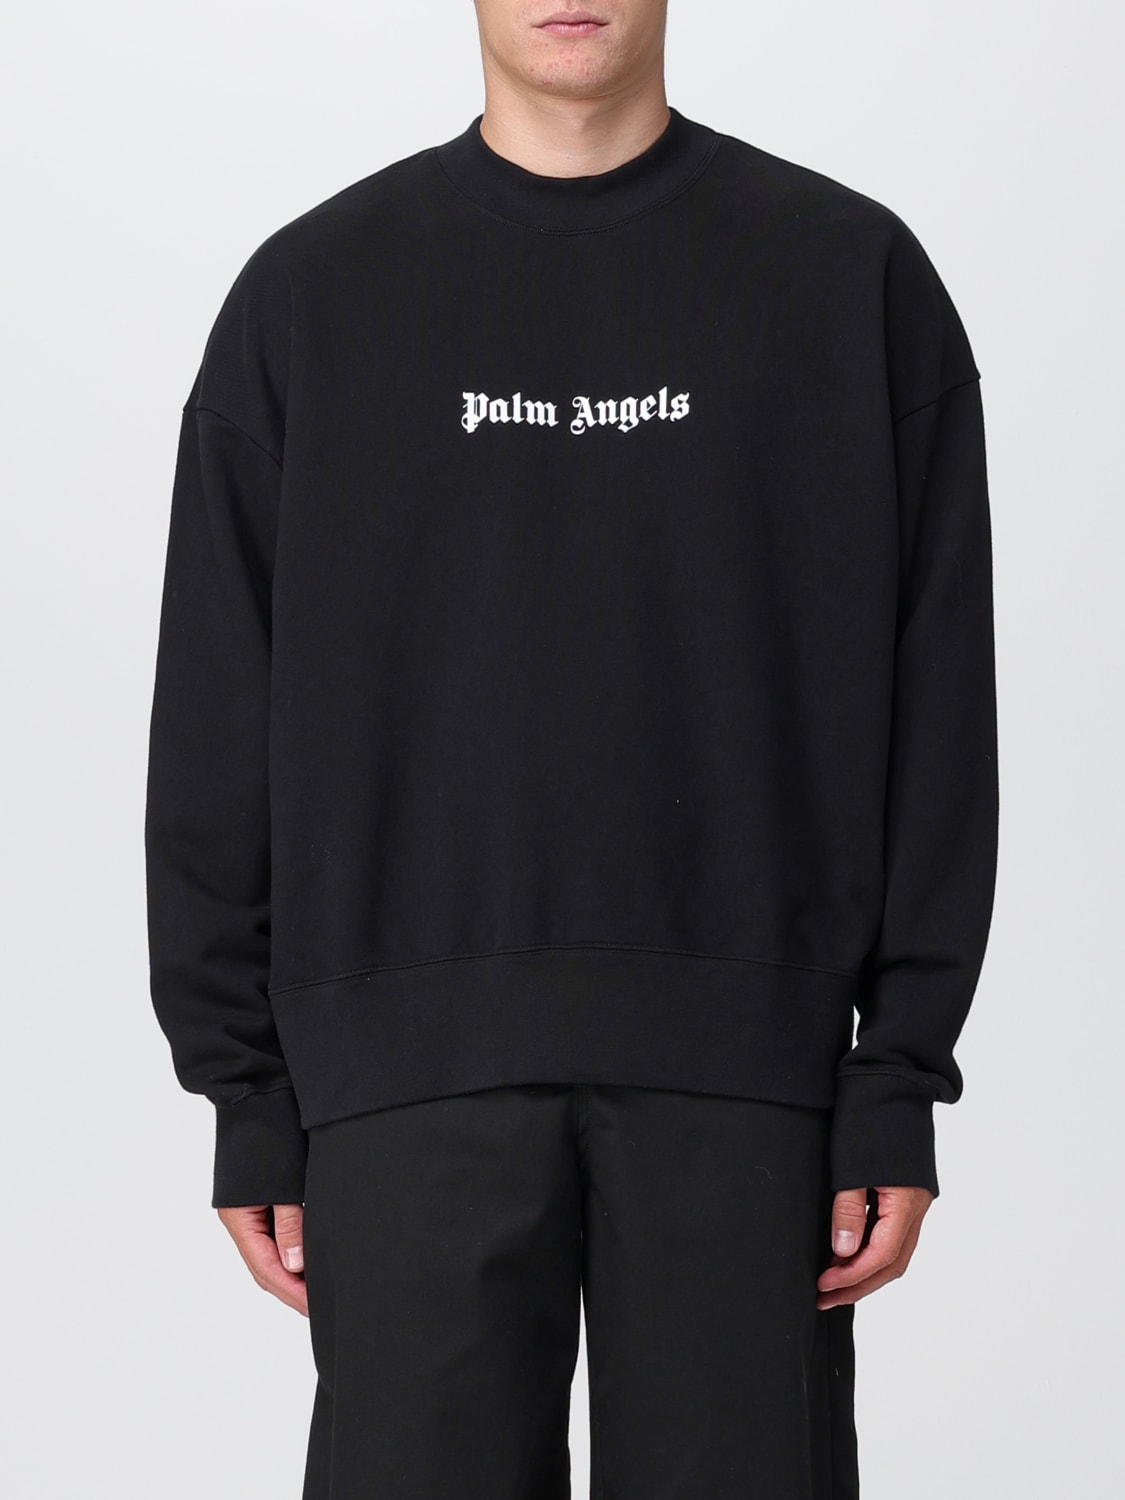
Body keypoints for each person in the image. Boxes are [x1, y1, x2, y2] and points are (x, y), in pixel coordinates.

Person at [143, 2, 999, 1495]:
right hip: (405, 1081)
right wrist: (248, 1096)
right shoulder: (313, 295)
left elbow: (939, 711)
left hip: (752, 1080)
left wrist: (898, 1073)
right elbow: (216, 714)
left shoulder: (846, 276)